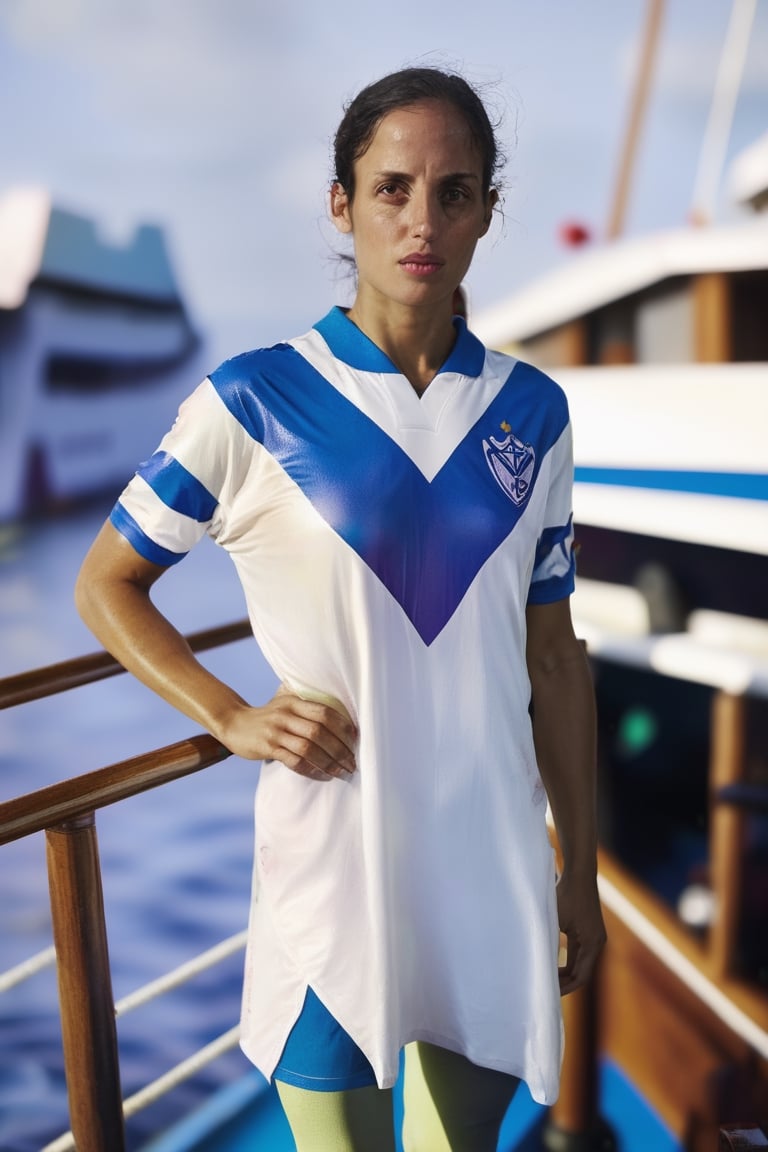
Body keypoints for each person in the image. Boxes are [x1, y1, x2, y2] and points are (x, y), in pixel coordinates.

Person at [75, 66, 605, 1152]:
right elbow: (106, 583)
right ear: (341, 202)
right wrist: (230, 716)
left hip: (489, 862)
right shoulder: (255, 397)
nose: (423, 220)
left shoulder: (533, 414)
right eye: (393, 187)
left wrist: (581, 874)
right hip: (333, 865)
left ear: (488, 213)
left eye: (455, 193)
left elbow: (552, 660)